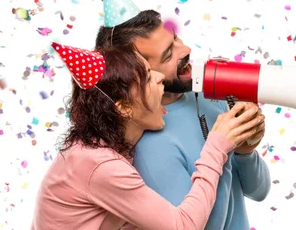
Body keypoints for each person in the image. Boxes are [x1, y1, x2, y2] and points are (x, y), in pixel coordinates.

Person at [31, 42, 264, 230]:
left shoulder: (102, 149)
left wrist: (244, 152)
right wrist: (217, 147)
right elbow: (184, 226)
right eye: (147, 77)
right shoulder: (100, 166)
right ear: (124, 108)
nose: (160, 77)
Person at [95, 9, 272, 230]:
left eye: (176, 38)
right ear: (140, 73)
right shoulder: (150, 146)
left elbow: (259, 192)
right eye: (168, 55)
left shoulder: (206, 96)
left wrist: (245, 153)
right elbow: (197, 226)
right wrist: (220, 149)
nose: (186, 50)